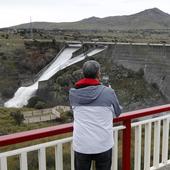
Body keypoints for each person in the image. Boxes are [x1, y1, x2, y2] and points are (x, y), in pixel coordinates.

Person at [69, 60, 122, 170]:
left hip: (82, 145)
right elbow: (118, 112)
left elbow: (75, 111)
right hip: (103, 145)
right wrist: (110, 92)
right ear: (98, 74)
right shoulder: (108, 92)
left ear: (83, 73)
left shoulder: (73, 93)